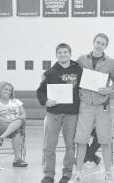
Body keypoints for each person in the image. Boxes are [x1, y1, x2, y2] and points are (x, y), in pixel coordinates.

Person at [74, 33, 114, 183]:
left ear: (106, 46)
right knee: (81, 139)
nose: (99, 45)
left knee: (105, 139)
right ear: (93, 42)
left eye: (103, 44)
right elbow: (72, 74)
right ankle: (78, 172)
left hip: (102, 105)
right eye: (98, 42)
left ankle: (107, 173)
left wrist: (110, 90)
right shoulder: (81, 59)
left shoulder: (110, 62)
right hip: (85, 104)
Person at [37, 43, 82, 183]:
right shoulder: (49, 72)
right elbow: (40, 91)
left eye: (65, 52)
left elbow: (85, 88)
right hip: (53, 113)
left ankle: (67, 174)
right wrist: (45, 101)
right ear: (56, 55)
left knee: (70, 145)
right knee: (49, 145)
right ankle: (49, 174)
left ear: (70, 53)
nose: (62, 55)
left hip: (71, 114)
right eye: (60, 53)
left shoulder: (78, 71)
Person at [0, 81, 28, 167]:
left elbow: (24, 115)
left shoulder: (17, 101)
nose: (8, 91)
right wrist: (10, 122)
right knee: (17, 129)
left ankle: (1, 138)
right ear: (0, 89)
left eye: (10, 90)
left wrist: (16, 121)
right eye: (6, 89)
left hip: (16, 124)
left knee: (19, 122)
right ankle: (17, 160)